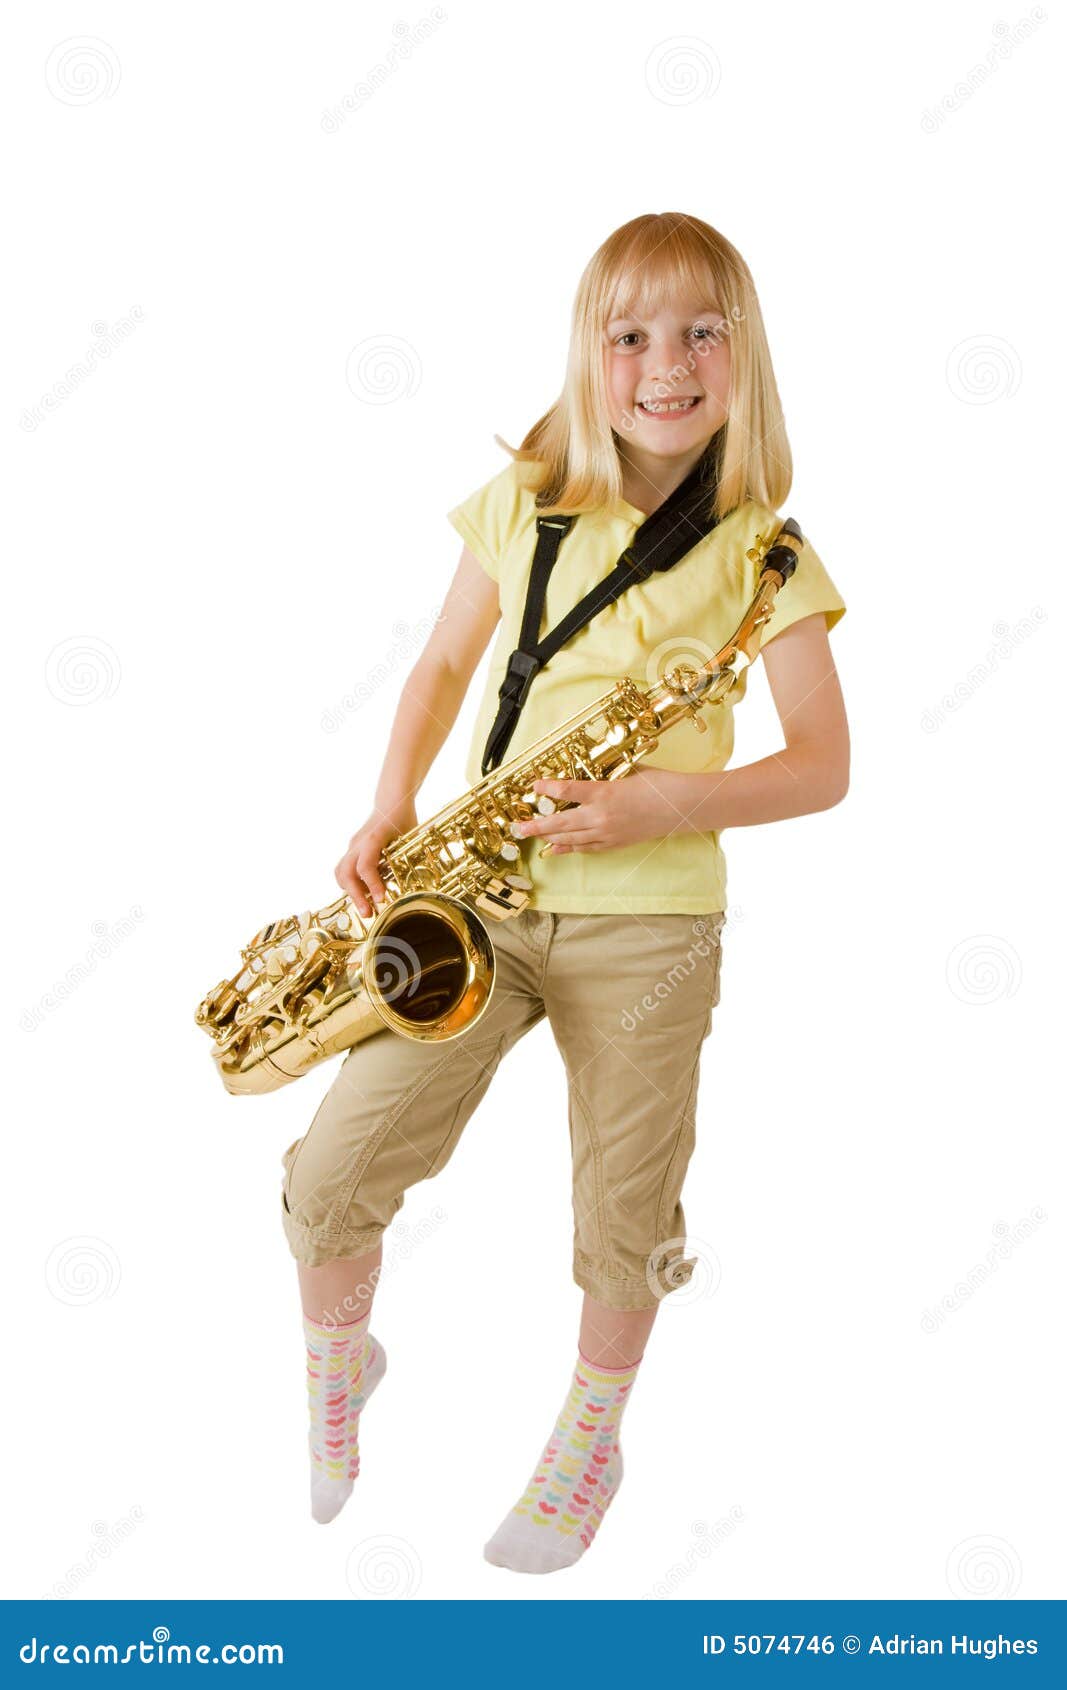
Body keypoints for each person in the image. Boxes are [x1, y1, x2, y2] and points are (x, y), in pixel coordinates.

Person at [280, 210, 850, 1573]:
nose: (669, 363)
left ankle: (591, 1435)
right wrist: (389, 797)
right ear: (589, 355)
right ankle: (344, 1357)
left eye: (703, 329)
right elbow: (434, 669)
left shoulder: (765, 547)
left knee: (625, 1210)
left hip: (649, 920)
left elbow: (827, 764)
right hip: (475, 895)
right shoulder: (528, 493)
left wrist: (666, 800)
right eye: (632, 332)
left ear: (745, 354)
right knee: (328, 1172)